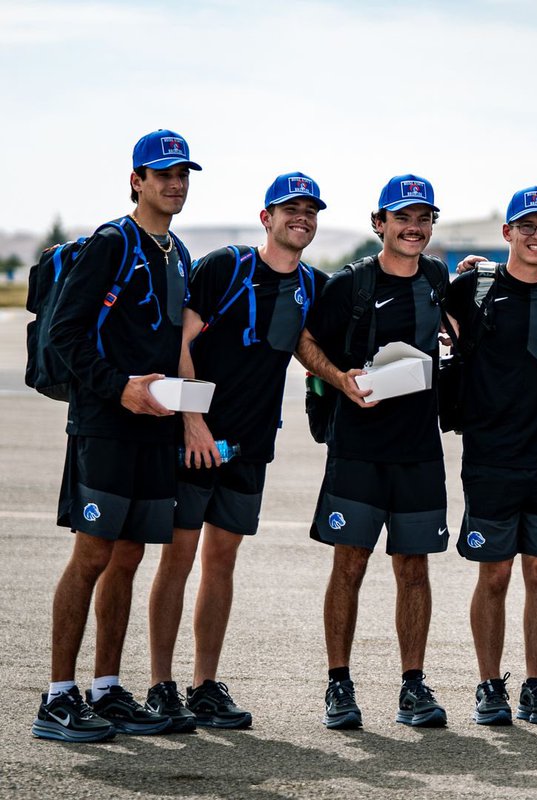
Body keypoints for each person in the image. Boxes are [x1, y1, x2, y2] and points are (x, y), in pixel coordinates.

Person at [144, 172, 328, 732]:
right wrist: (192, 423)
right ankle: (160, 687)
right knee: (177, 558)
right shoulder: (227, 266)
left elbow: (321, 341)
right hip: (197, 442)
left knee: (220, 563)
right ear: (266, 216)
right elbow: (182, 343)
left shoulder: (313, 285)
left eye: (310, 209)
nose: (302, 216)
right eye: (289, 207)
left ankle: (204, 686)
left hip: (251, 446)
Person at [32, 129, 199, 742]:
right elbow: (64, 337)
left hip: (153, 431)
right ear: (137, 180)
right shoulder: (112, 243)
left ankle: (105, 689)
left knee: (128, 558)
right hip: (105, 425)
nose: (174, 185)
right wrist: (120, 386)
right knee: (93, 556)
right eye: (163, 175)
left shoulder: (175, 252)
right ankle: (56, 696)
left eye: (183, 175)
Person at [297, 175, 450, 730]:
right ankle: (339, 685)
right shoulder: (351, 285)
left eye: (423, 218)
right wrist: (340, 379)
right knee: (350, 565)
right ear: (379, 223)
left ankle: (413, 687)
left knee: (414, 568)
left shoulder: (437, 276)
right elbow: (303, 340)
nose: (414, 228)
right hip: (358, 449)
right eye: (402, 218)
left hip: (418, 450)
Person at [443, 186, 537, 726]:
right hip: (490, 456)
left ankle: (536, 685)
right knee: (495, 574)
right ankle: (488, 685)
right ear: (507, 234)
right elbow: (416, 295)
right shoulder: (473, 289)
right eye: (527, 226)